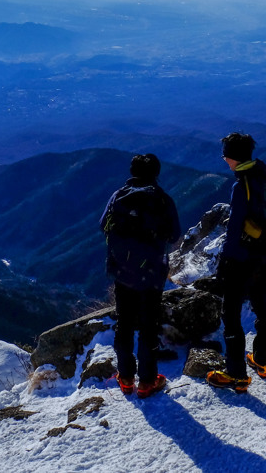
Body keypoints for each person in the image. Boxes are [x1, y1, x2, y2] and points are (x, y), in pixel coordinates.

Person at [100, 153, 181, 399]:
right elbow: (175, 235)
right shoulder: (162, 200)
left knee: (124, 323)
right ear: (156, 173)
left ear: (132, 171)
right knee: (148, 326)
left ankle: (125, 378)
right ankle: (147, 382)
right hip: (151, 274)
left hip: (122, 271)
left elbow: (103, 224)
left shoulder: (118, 196)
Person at [206, 132, 266, 393]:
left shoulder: (241, 186)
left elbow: (235, 227)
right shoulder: (264, 175)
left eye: (226, 155)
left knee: (231, 314)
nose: (224, 159)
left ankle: (236, 374)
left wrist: (225, 261)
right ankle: (261, 360)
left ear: (233, 157)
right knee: (261, 306)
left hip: (243, 258)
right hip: (264, 255)